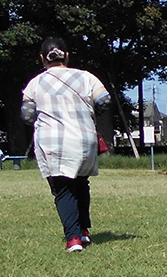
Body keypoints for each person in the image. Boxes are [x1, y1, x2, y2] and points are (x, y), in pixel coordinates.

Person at [21, 37, 111, 252]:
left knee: (63, 188)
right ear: (67, 55)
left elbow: (26, 115)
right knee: (81, 183)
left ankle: (73, 239)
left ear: (42, 58)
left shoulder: (35, 83)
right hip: (84, 138)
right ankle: (84, 231)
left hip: (52, 141)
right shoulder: (87, 77)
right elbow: (104, 101)